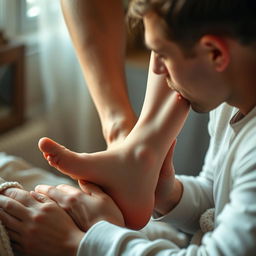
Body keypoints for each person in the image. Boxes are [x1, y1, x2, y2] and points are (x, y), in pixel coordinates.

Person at [1, 0, 256, 255]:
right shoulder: (231, 103)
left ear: (215, 54)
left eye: (163, 54)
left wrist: (77, 240)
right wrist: (168, 194)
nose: (156, 69)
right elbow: (217, 199)